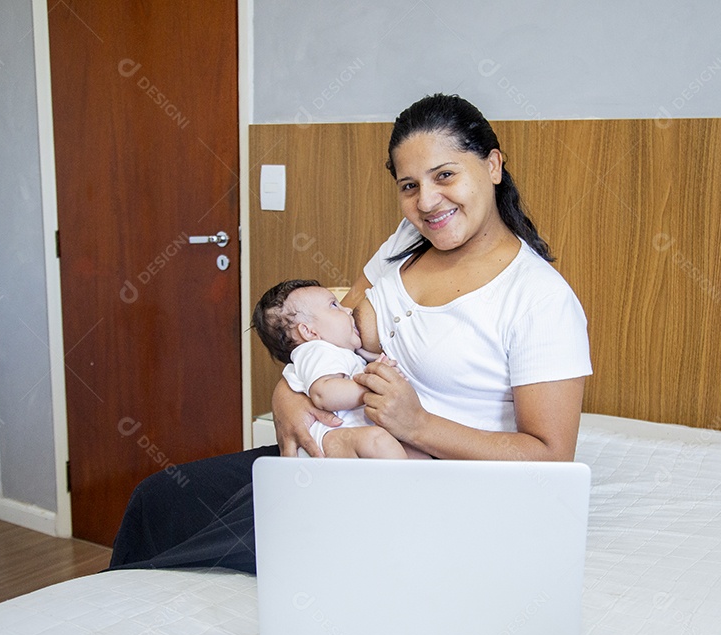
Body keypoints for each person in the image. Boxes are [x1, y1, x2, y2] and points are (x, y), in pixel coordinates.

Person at [108, 93, 591, 572]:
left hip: (429, 484)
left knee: (214, 548)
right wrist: (289, 396)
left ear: (492, 166)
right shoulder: (409, 243)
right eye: (408, 186)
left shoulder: (539, 299)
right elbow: (327, 331)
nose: (426, 201)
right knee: (159, 501)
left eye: (445, 175)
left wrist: (418, 425)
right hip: (350, 450)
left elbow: (550, 457)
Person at [250, 278, 427, 459]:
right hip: (330, 442)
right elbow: (324, 394)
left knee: (418, 455)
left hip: (352, 437)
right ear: (309, 332)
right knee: (379, 441)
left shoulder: (337, 352)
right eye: (334, 305)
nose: (348, 309)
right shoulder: (317, 350)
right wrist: (372, 385)